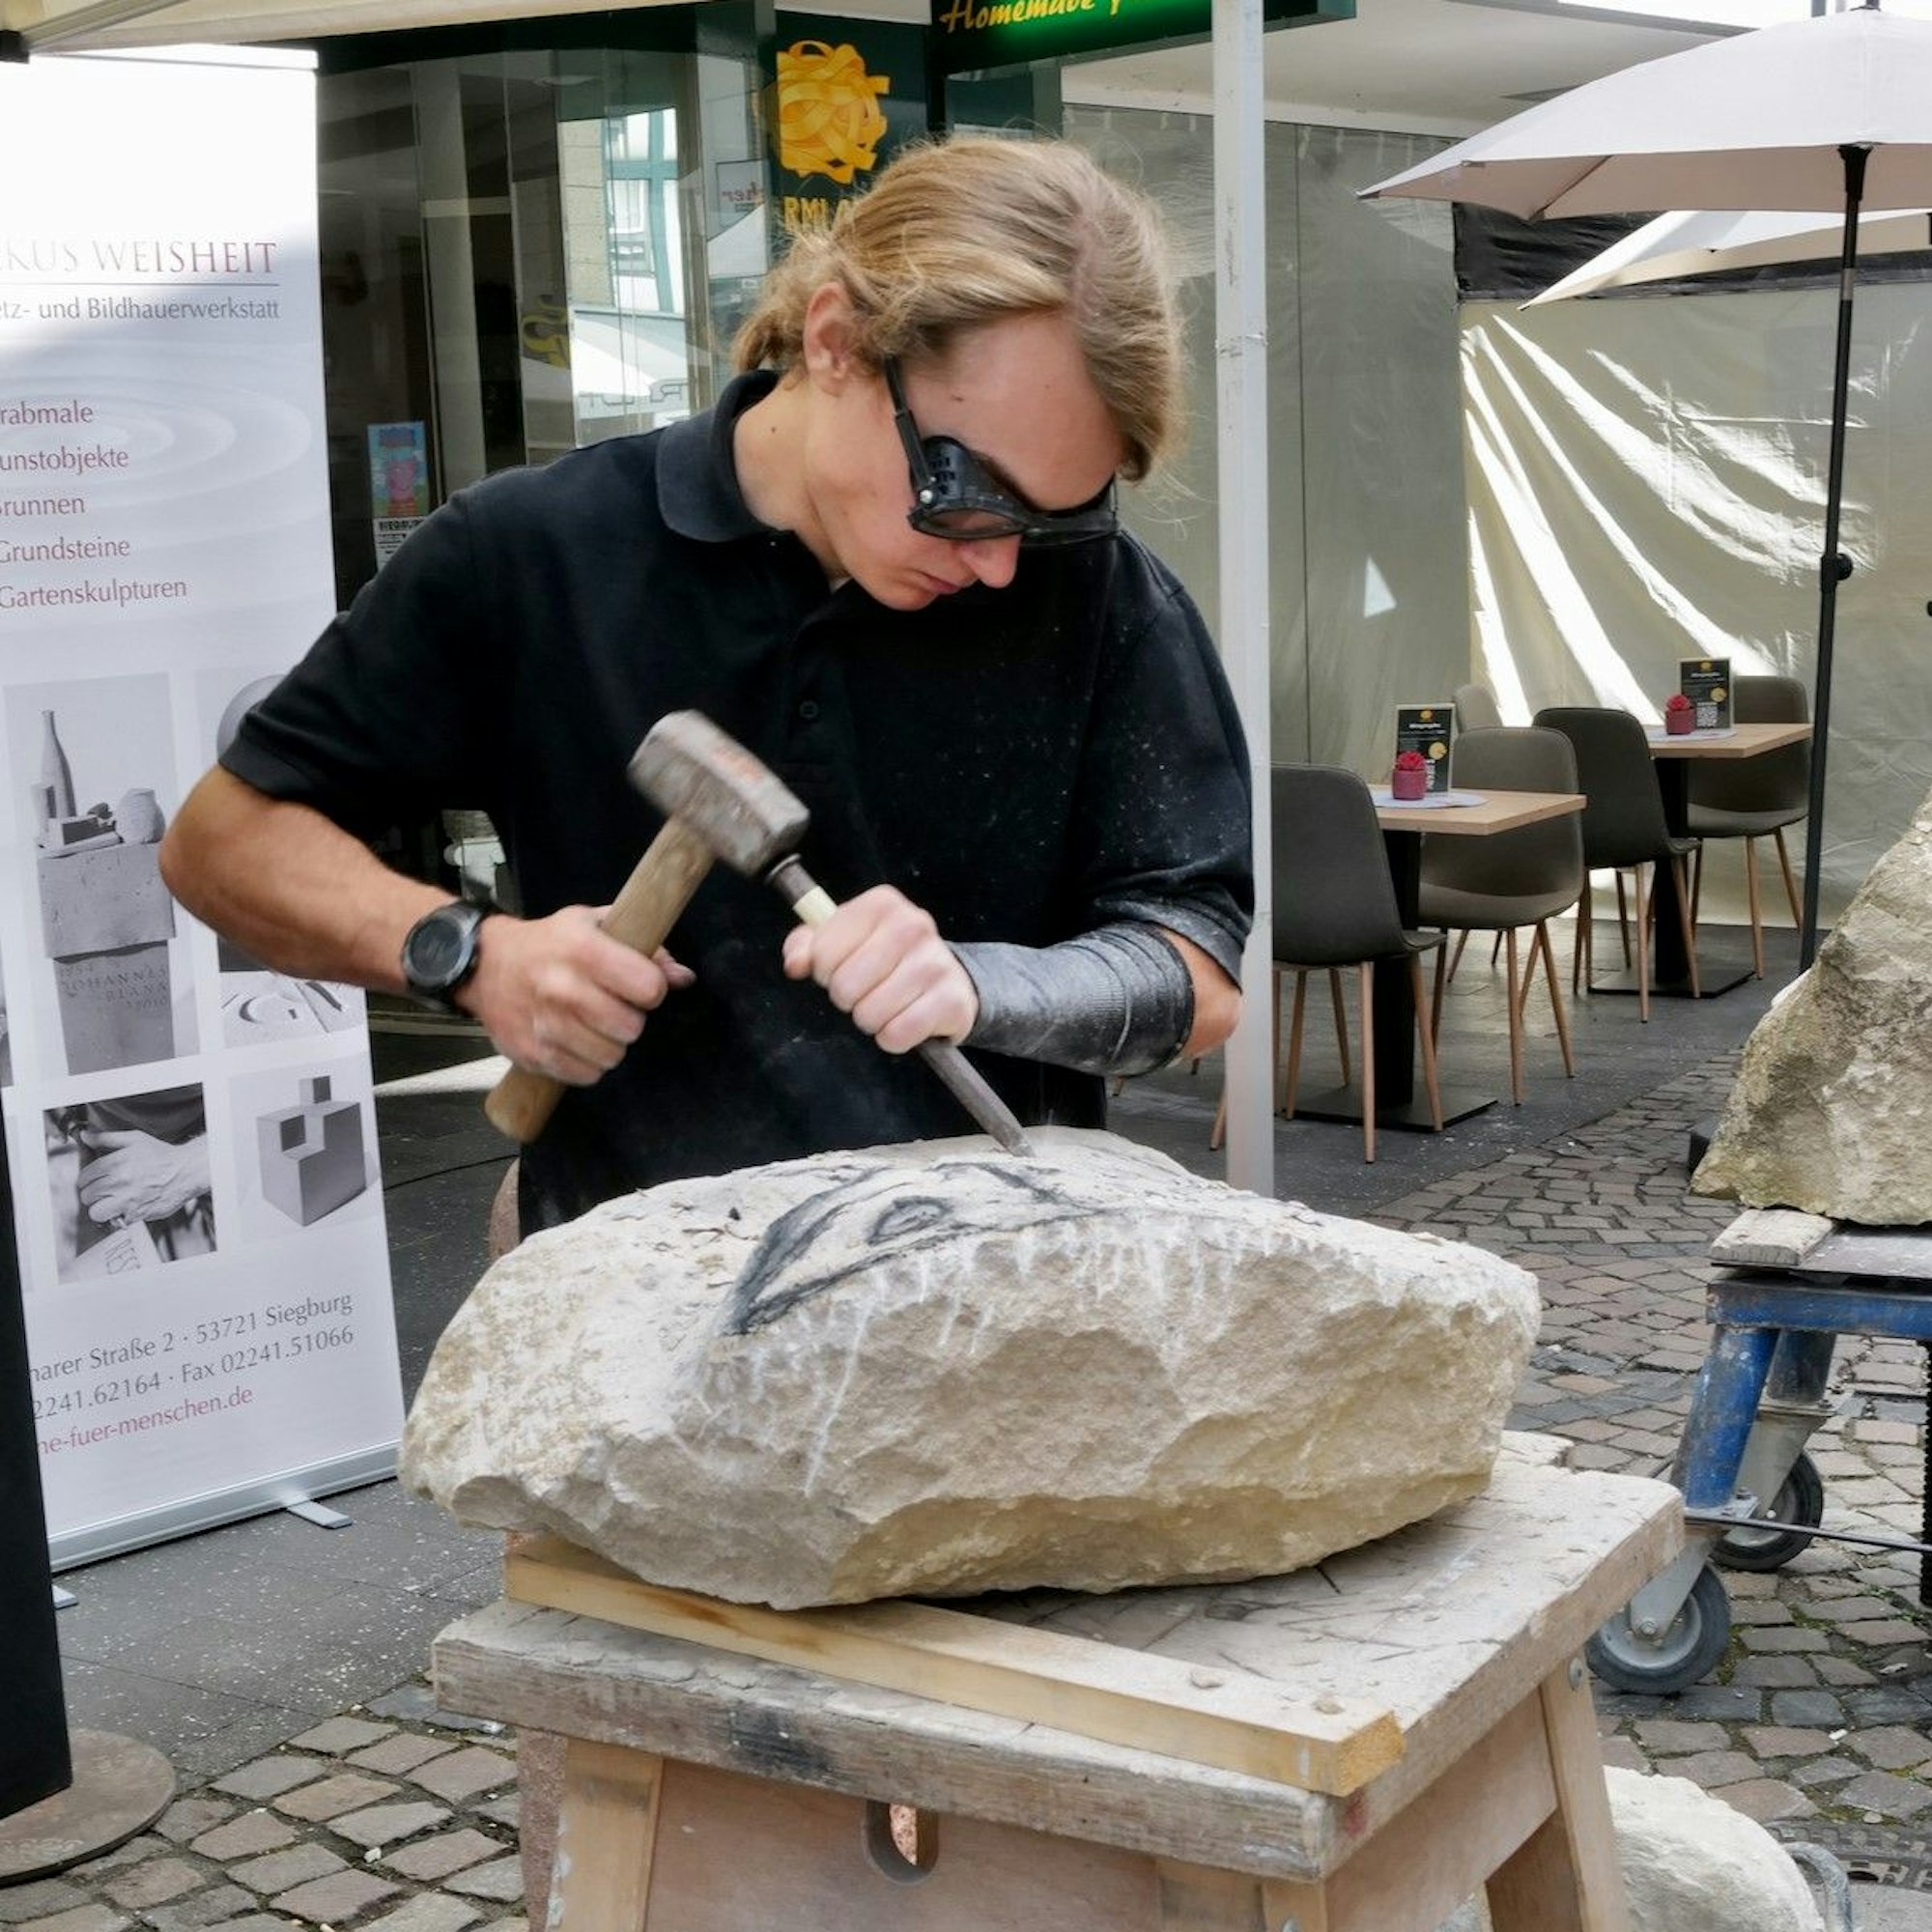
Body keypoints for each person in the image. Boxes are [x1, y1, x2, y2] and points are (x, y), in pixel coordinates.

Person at [159, 134, 1254, 1236]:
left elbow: (1195, 976)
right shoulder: (535, 555)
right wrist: (468, 952)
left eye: (1052, 514)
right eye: (964, 492)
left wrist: (976, 983)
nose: (999, 563)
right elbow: (222, 842)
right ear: (834, 341)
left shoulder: (1102, 596)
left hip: (972, 1298)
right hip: (636, 1302)